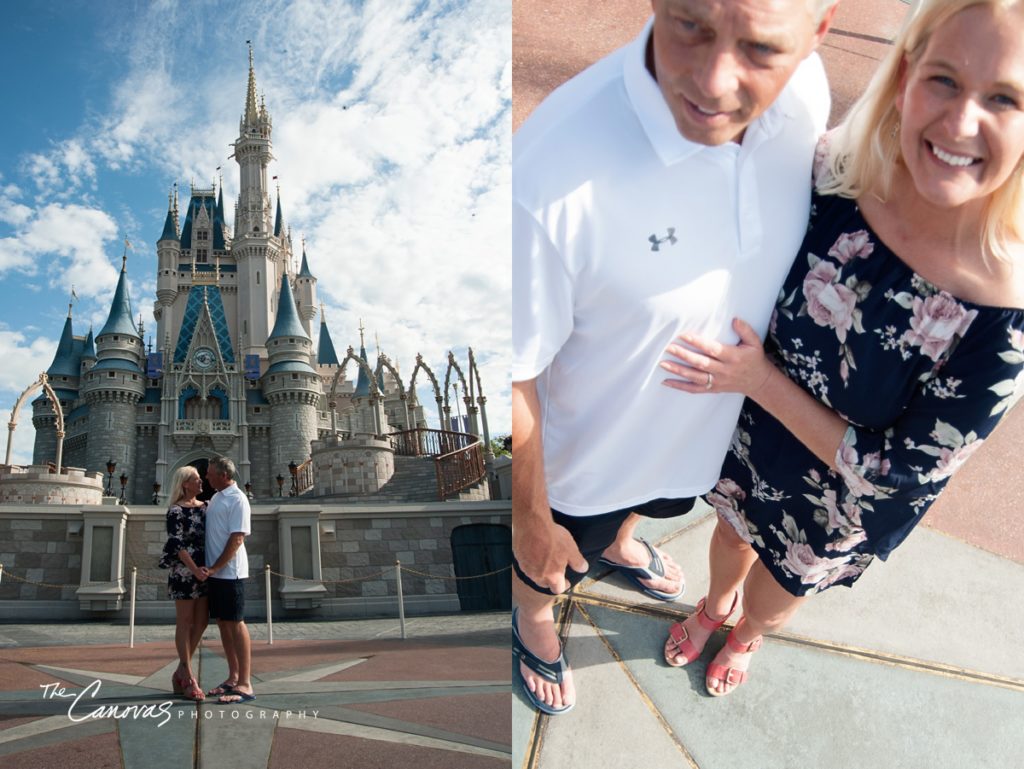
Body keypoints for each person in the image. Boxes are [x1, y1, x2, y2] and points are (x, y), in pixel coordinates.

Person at [660, 0, 1024, 697]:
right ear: (907, 75)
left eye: (1004, 97)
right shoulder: (836, 173)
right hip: (754, 432)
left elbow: (895, 474)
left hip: (838, 494)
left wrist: (759, 380)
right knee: (731, 537)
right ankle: (713, 607)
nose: (959, 123)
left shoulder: (1002, 319)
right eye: (944, 79)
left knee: (778, 585)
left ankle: (747, 633)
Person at [512, 0, 839, 714]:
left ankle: (625, 543)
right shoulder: (549, 171)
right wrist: (530, 522)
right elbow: (513, 372)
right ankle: (531, 619)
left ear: (818, 31)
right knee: (549, 565)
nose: (715, 80)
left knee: (651, 510)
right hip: (586, 467)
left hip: (702, 442)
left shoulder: (807, 93)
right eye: (691, 23)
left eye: (759, 48)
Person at [200, 455, 255, 703]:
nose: (206, 477)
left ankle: (245, 683)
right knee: (223, 622)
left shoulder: (237, 499)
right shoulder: (216, 498)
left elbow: (237, 539)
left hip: (230, 572)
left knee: (236, 623)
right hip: (216, 574)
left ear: (224, 475)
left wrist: (215, 568)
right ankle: (232, 677)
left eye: (210, 473)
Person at [158, 465, 209, 701]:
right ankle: (188, 676)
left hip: (205, 570)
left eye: (200, 479)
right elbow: (176, 544)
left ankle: (180, 669)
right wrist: (194, 570)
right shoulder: (175, 511)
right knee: (185, 621)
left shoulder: (207, 507)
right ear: (184, 484)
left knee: (202, 622)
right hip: (185, 572)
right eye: (196, 479)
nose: (201, 482)